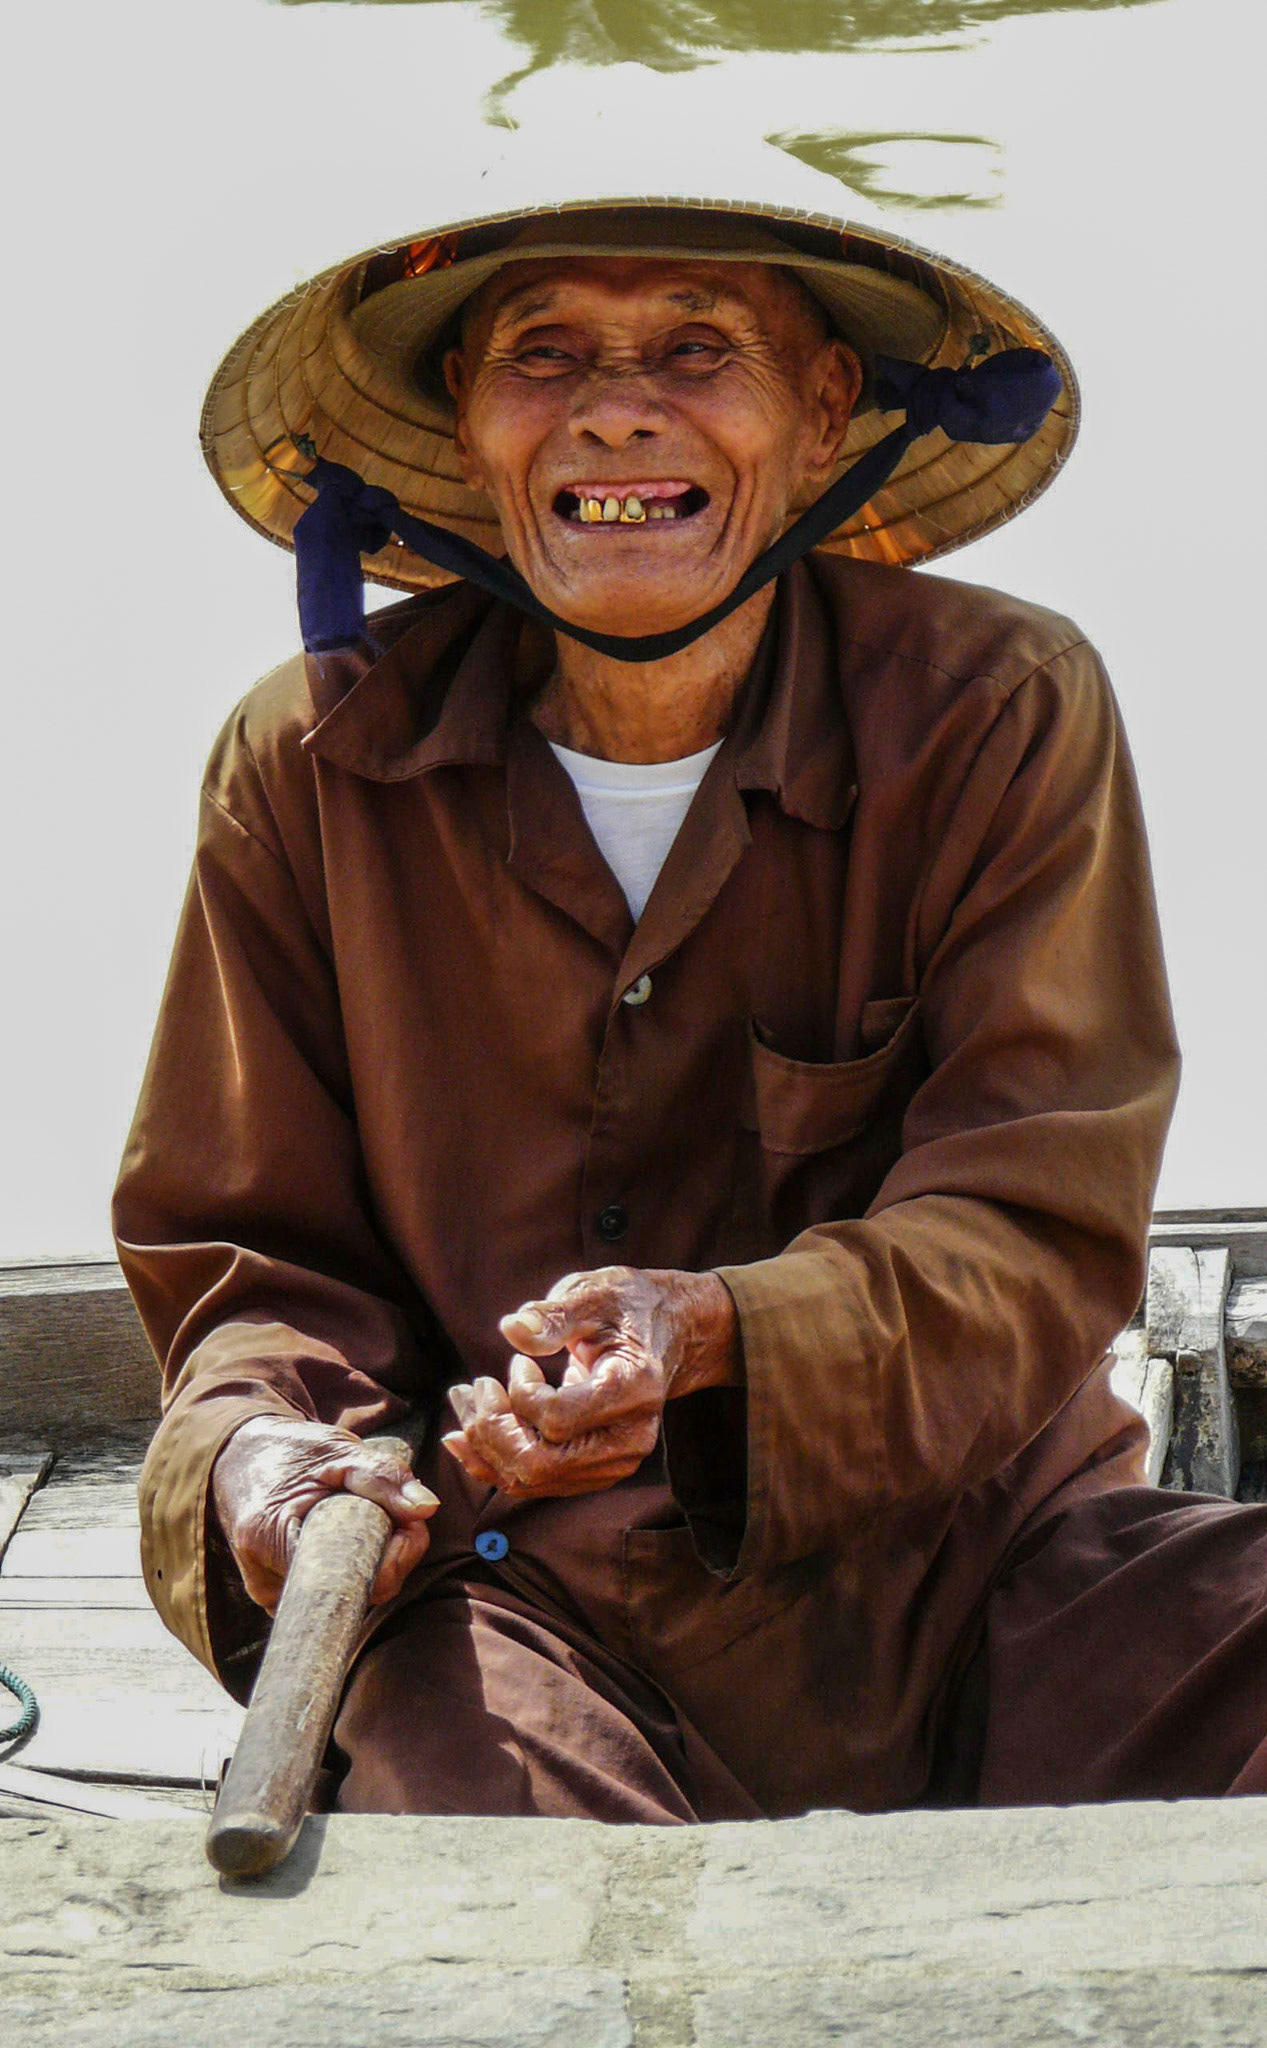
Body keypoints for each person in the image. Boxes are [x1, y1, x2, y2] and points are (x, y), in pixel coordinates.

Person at [114, 150, 1267, 1820]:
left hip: (980, 1575)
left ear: (821, 416)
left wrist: (712, 1330)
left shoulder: (998, 709)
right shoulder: (308, 765)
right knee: (499, 1885)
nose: (617, 415)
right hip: (520, 1598)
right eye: (546, 355)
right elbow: (256, 1267)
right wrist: (272, 1467)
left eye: (697, 350)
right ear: (467, 419)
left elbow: (1036, 1230)